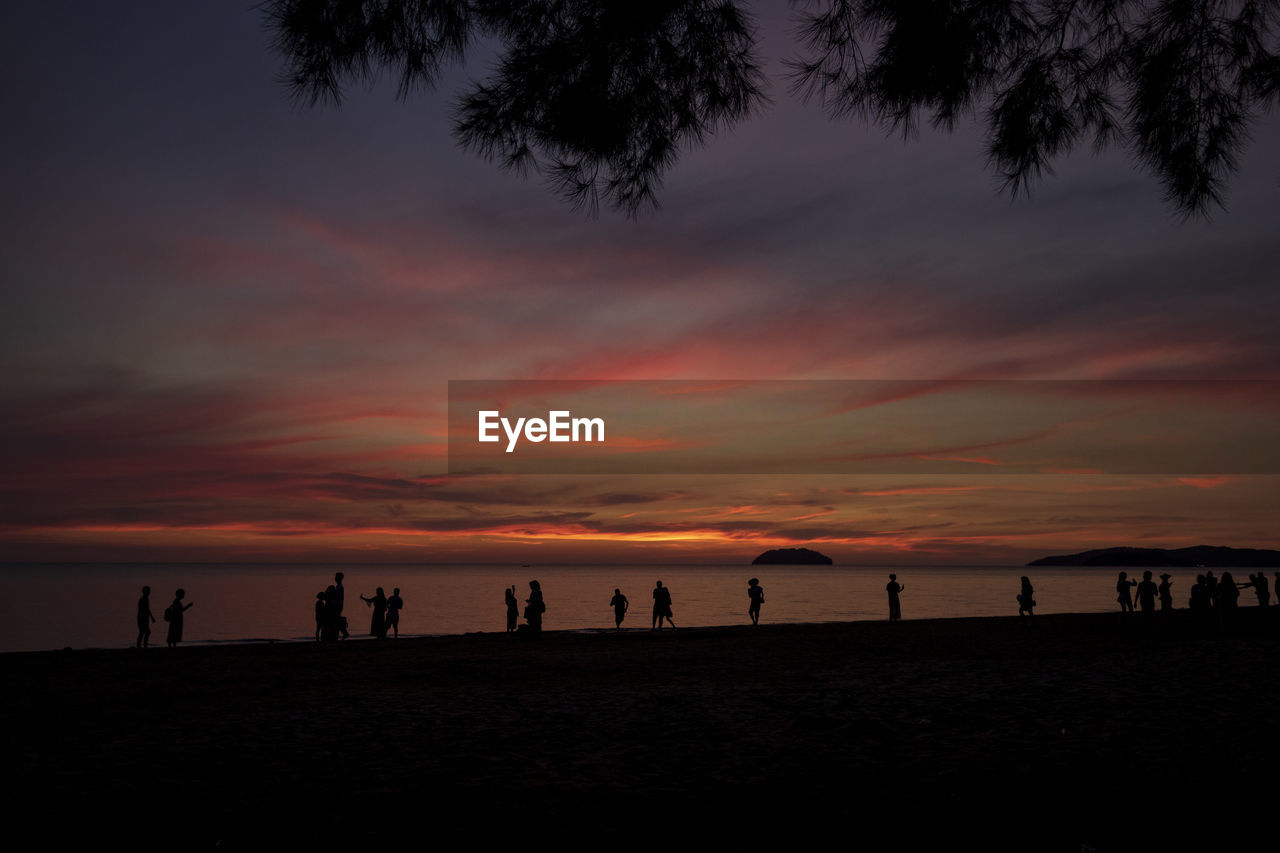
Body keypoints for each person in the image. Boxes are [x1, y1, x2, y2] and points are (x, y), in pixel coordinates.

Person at [334, 571, 349, 639]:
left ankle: (344, 633)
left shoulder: (339, 587)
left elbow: (339, 597)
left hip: (338, 605)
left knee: (337, 619)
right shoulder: (338, 586)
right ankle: (342, 632)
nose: (335, 578)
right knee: (337, 619)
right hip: (338, 605)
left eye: (336, 577)